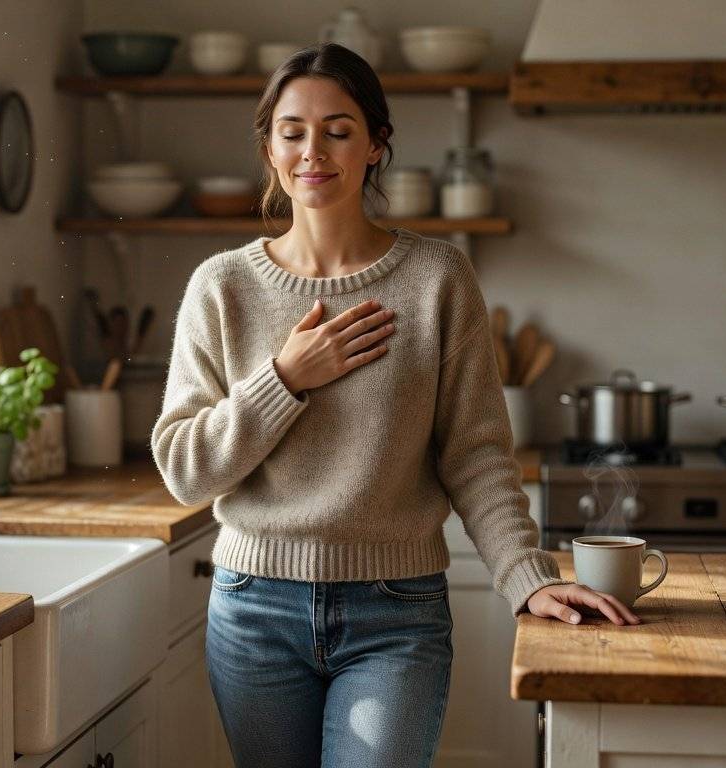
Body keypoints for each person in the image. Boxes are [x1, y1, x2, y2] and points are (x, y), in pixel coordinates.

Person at [151, 42, 639, 768]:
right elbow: (185, 469)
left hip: (394, 613)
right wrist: (284, 378)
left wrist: (525, 577)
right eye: (292, 131)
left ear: (376, 145)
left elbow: (475, 455)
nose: (312, 151)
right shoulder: (220, 287)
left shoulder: (437, 279)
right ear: (269, 146)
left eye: (338, 130)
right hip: (255, 610)